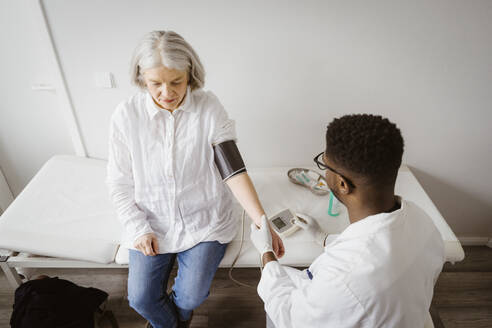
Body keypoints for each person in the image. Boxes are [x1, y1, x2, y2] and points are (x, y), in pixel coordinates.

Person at [106, 30, 284, 328]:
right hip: (151, 221)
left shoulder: (209, 108)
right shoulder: (126, 116)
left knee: (190, 297)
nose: (167, 92)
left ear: (191, 74)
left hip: (205, 221)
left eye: (176, 81)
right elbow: (119, 182)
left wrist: (262, 222)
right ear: (141, 78)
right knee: (140, 300)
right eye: (155, 83)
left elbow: (233, 171)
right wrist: (138, 228)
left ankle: (174, 319)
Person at [250, 114, 445, 328]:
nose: (323, 172)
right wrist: (324, 238)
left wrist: (265, 251)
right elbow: (377, 248)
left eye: (324, 165)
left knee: (277, 284)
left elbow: (290, 317)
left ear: (343, 184)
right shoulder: (423, 222)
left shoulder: (344, 280)